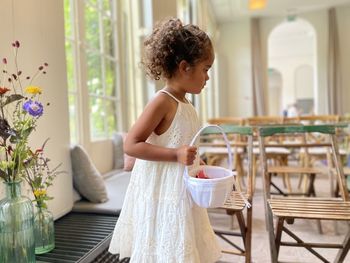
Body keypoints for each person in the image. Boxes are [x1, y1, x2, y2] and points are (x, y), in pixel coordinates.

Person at [108, 18, 221, 262]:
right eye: (206, 69)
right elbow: (131, 144)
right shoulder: (162, 101)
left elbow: (184, 143)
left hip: (182, 189)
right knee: (163, 248)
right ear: (184, 67)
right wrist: (175, 155)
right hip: (162, 190)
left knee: (181, 245)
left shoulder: (186, 103)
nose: (207, 77)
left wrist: (196, 167)